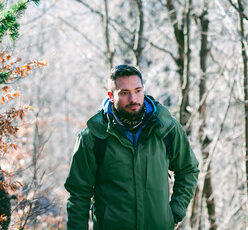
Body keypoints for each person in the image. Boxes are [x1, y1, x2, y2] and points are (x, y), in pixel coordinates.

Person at [64, 64, 199, 230]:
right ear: (111, 96)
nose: (133, 99)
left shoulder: (166, 128)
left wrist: (176, 212)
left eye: (138, 90)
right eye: (124, 93)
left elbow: (188, 169)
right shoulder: (93, 137)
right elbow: (79, 195)